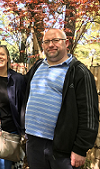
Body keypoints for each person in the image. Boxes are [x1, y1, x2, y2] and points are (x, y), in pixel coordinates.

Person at [21, 28, 99, 169]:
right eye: (47, 41)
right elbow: (20, 87)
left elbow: (89, 114)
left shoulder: (79, 72)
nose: (51, 45)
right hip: (34, 142)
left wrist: (80, 148)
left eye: (56, 40)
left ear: (66, 43)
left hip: (62, 148)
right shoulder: (38, 66)